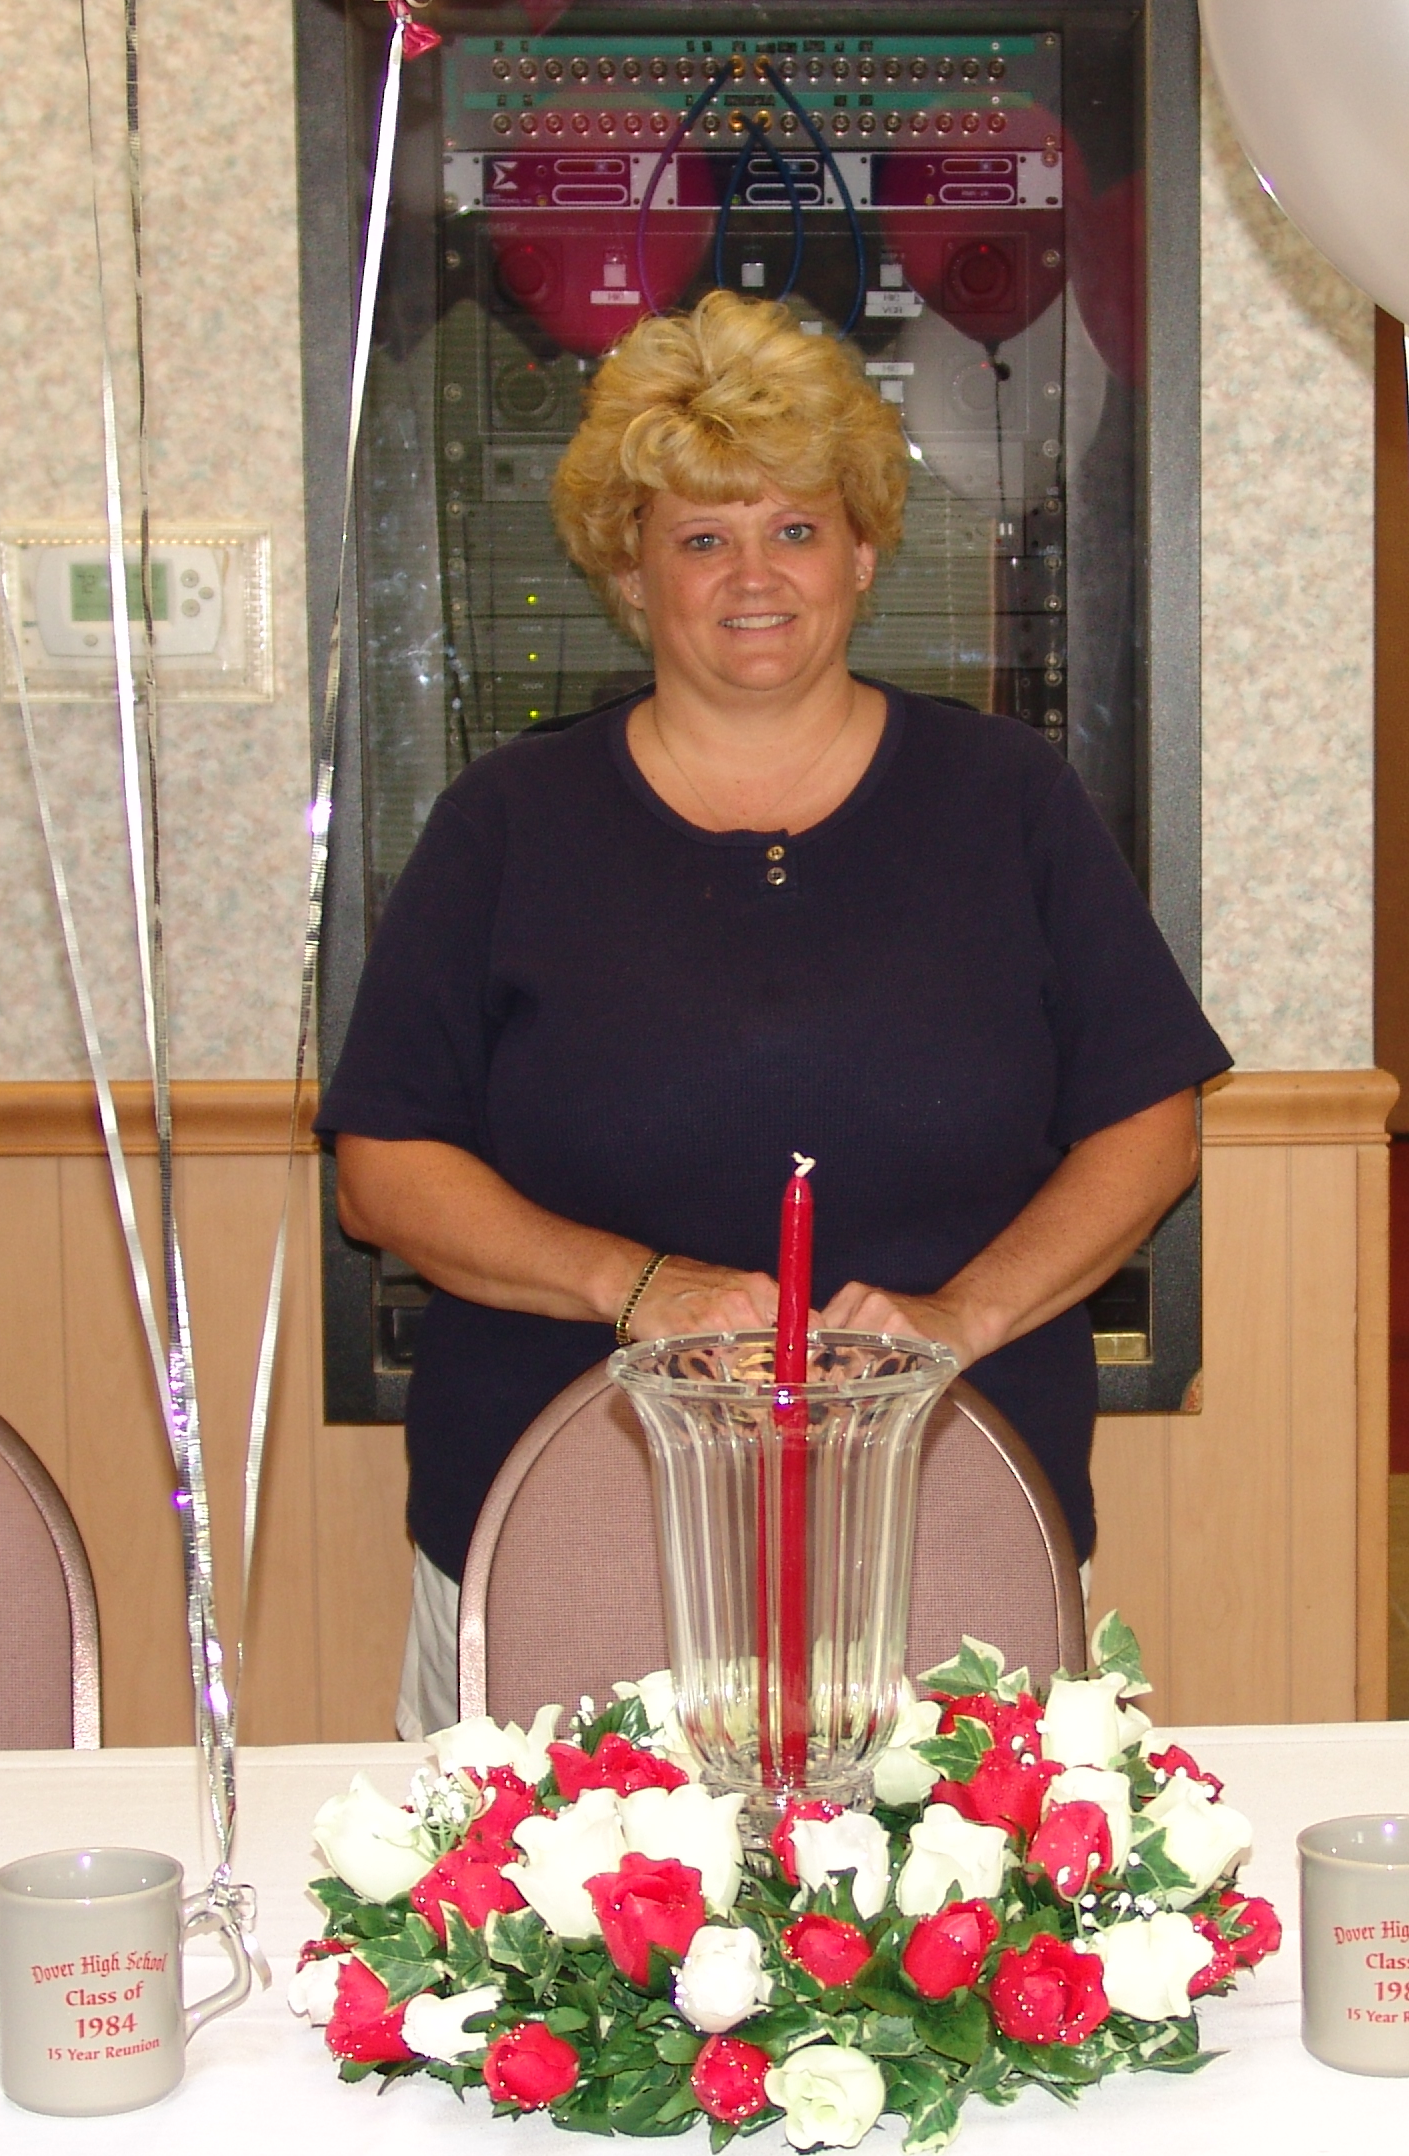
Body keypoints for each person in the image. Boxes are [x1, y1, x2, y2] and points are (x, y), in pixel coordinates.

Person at [319, 291, 1230, 1737]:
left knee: (948, 1884)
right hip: (567, 1517)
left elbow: (1148, 1127)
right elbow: (387, 1171)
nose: (755, 575)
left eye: (796, 527)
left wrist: (958, 1319)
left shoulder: (1010, 803)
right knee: (550, 1887)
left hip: (946, 1508)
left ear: (862, 552)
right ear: (630, 571)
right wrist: (635, 1288)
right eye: (701, 538)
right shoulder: (507, 822)